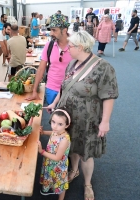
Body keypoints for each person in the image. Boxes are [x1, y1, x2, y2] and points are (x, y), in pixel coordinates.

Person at [46, 30, 119, 200]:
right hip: (69, 117)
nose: (67, 49)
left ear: (80, 47)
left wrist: (105, 121)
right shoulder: (73, 63)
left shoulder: (103, 67)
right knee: (71, 146)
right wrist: (54, 103)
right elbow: (64, 87)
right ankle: (74, 169)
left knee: (86, 151)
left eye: (70, 46)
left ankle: (87, 184)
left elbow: (109, 95)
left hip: (88, 119)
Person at [26, 14, 72, 105]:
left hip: (70, 89)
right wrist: (34, 90)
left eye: (54, 30)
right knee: (53, 115)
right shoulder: (49, 45)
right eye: (50, 30)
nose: (51, 33)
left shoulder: (75, 46)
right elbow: (41, 69)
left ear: (64, 30)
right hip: (51, 88)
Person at [38, 108, 71, 199]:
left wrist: (42, 151)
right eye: (53, 122)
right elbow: (53, 133)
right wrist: (44, 132)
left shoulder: (64, 140)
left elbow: (57, 158)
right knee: (51, 177)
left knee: (60, 183)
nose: (55, 126)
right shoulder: (58, 131)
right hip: (50, 162)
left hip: (58, 167)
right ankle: (50, 188)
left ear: (67, 125)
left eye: (60, 124)